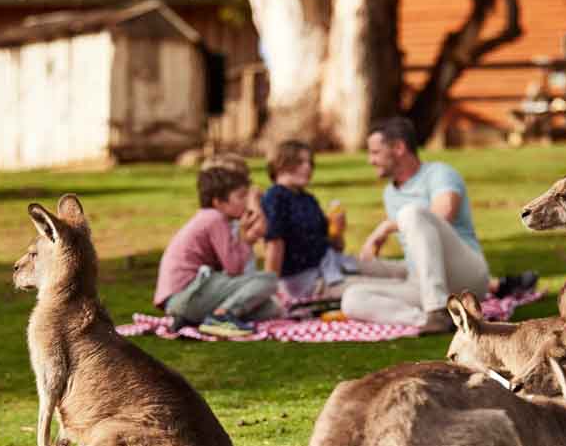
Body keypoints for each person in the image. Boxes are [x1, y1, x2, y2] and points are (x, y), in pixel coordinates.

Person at [341, 117, 493, 334]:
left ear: (398, 148)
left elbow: (443, 215)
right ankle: (431, 320)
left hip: (467, 276)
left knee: (411, 213)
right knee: (352, 299)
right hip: (422, 282)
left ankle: (437, 309)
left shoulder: (440, 174)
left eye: (375, 152)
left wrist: (385, 227)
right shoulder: (390, 193)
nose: (370, 160)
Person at [261, 140, 405, 301]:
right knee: (394, 287)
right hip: (312, 282)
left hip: (334, 264)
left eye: (310, 163)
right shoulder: (275, 198)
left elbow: (336, 247)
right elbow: (274, 245)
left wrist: (338, 230)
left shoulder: (307, 199)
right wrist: (270, 292)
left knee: (402, 270)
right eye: (300, 162)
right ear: (280, 165)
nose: (308, 167)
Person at [153, 162, 281, 338]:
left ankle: (194, 319)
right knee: (269, 279)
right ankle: (220, 316)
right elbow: (234, 269)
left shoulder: (209, 218)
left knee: (271, 308)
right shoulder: (214, 219)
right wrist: (245, 240)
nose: (246, 202)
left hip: (183, 299)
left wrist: (245, 239)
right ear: (218, 202)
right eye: (241, 196)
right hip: (186, 294)